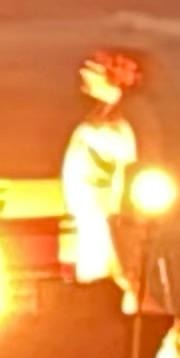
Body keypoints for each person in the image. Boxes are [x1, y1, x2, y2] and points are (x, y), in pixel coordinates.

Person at [59, 47, 149, 299]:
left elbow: (127, 160)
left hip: (103, 209)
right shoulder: (102, 115)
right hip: (88, 207)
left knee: (109, 269)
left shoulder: (121, 120)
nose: (85, 77)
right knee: (97, 267)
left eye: (94, 72)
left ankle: (131, 327)